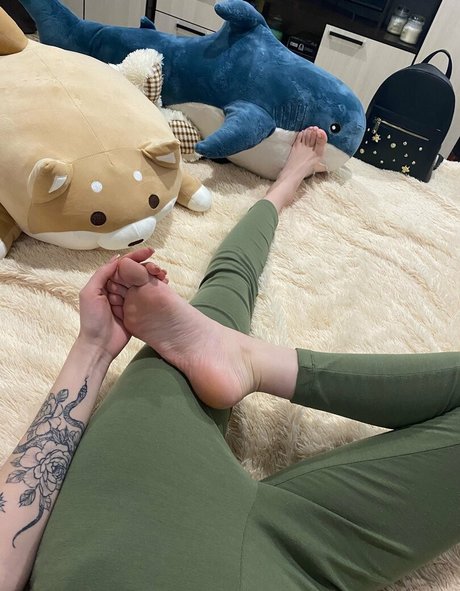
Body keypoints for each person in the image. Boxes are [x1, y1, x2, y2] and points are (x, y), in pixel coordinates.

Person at [0, 127, 458, 591]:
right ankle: (254, 360)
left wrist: (95, 347)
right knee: (223, 294)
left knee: (220, 300)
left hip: (130, 535)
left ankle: (281, 194)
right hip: (197, 559)